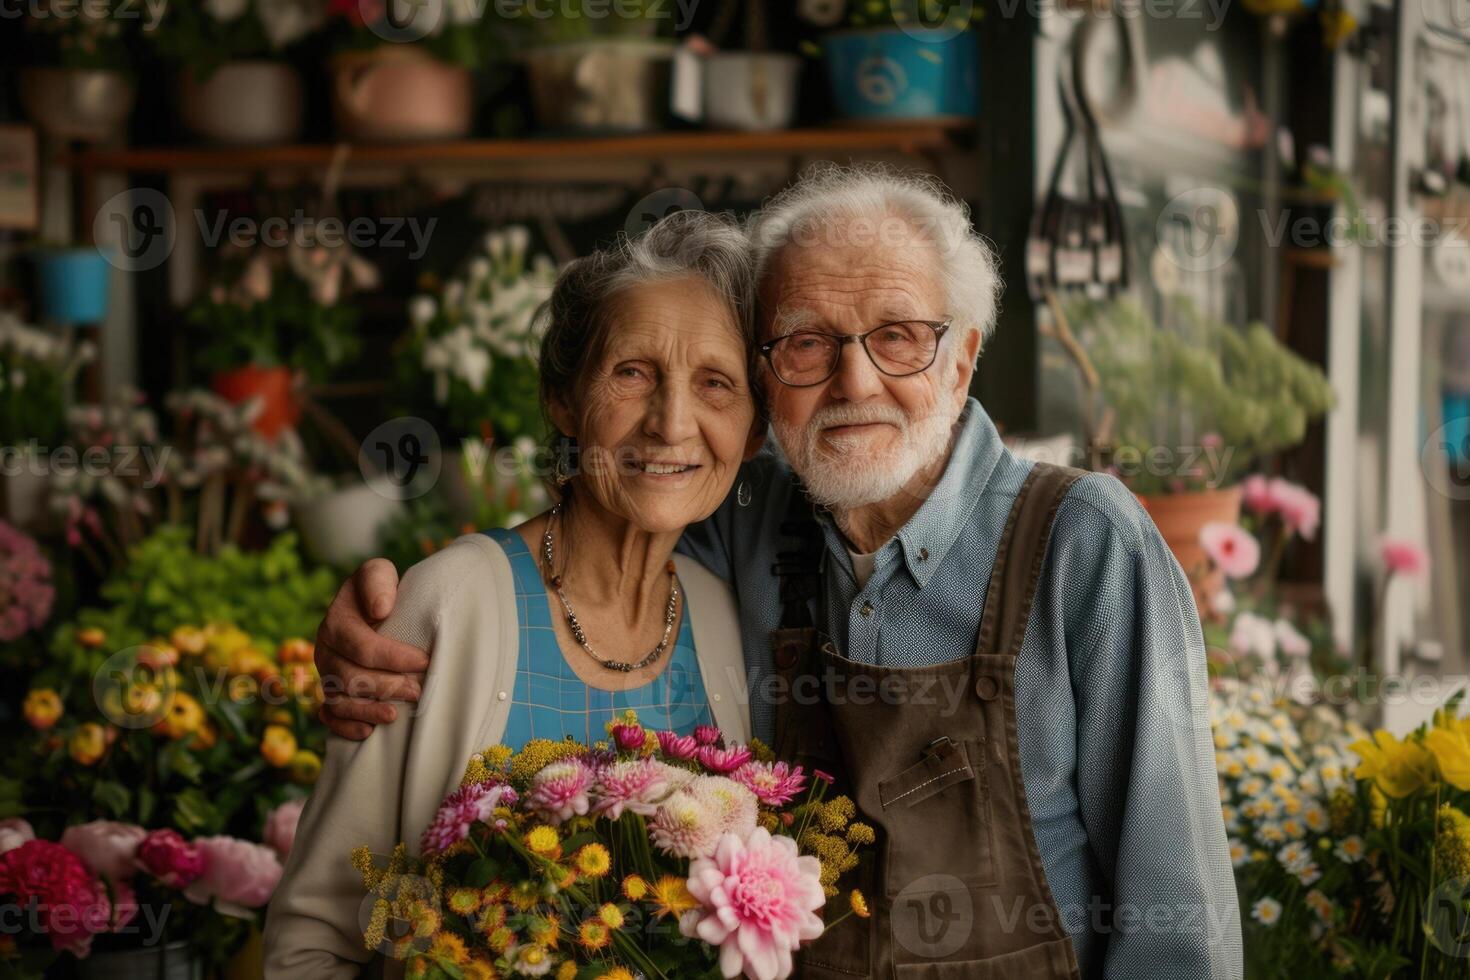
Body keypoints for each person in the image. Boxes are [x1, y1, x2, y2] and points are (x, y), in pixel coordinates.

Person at [311, 165, 1244, 978]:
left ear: (963, 359)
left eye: (900, 336)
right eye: (807, 342)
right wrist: (404, 608)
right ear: (769, 388)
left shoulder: (1084, 543)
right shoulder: (745, 521)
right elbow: (599, 535)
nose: (855, 381)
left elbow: (1181, 921)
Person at [263, 210, 764, 978]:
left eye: (716, 384)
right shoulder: (448, 603)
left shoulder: (728, 619)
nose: (672, 423)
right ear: (563, 399)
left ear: (754, 430)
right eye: (632, 372)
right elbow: (315, 937)